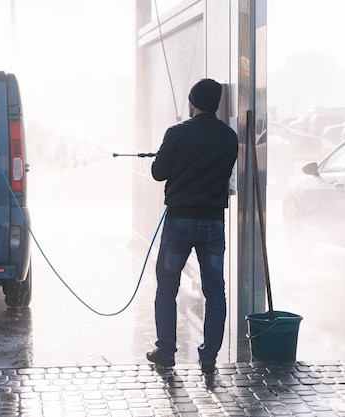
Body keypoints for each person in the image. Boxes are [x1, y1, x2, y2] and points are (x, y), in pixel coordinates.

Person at [146, 78, 238, 374]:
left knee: (167, 286)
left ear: (192, 102)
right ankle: (209, 356)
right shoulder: (228, 137)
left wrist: (170, 155)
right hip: (213, 222)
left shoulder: (177, 133)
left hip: (180, 221)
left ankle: (166, 351)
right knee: (215, 290)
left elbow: (158, 173)